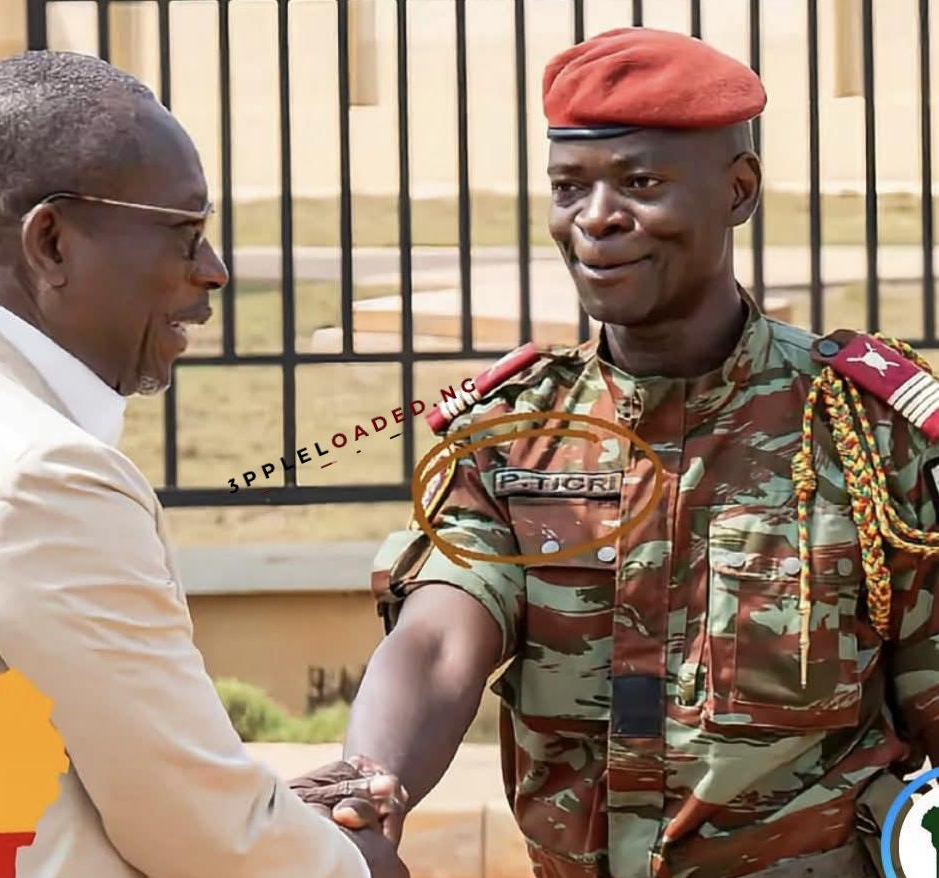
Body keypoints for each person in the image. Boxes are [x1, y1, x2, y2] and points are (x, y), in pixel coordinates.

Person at [0, 51, 405, 878]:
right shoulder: (35, 473)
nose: (212, 271)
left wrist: (273, 813)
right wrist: (351, 863)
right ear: (51, 242)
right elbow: (193, 828)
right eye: (183, 233)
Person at [335, 27, 939, 878]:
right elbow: (436, 641)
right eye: (568, 186)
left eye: (639, 183)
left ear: (737, 190)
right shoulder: (515, 435)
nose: (595, 218)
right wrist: (368, 789)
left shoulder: (864, 433)